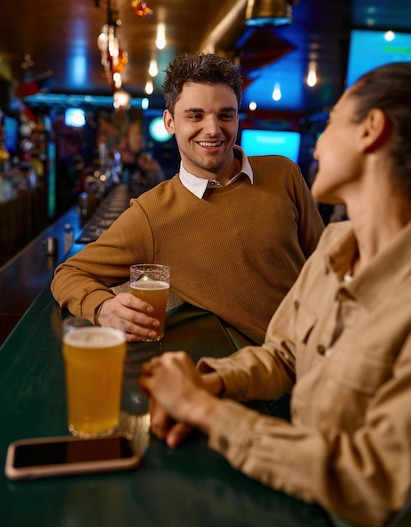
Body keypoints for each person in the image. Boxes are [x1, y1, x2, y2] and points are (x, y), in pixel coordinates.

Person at [139, 62, 411, 527]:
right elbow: (287, 353)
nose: (319, 144)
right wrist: (210, 382)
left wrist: (206, 412)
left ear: (371, 130)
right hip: (293, 501)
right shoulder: (335, 246)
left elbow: (374, 482)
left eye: (329, 123)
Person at [51, 52, 323, 344]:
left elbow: (326, 263)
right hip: (262, 371)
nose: (213, 129)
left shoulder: (283, 172)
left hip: (329, 348)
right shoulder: (152, 214)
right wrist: (102, 307)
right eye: (195, 115)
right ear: (169, 122)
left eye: (225, 115)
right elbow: (70, 272)